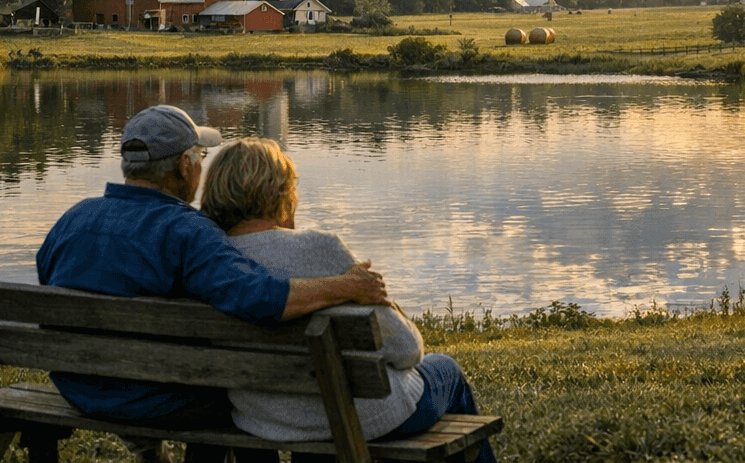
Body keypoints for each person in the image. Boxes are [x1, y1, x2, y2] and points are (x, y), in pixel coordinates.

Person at [36, 105, 387, 459]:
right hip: (160, 399)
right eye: (200, 156)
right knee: (243, 395)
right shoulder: (188, 231)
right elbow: (260, 299)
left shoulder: (72, 219)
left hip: (78, 389)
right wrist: (346, 285)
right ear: (184, 165)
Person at [199, 137, 496, 463]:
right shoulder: (318, 249)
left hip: (262, 418)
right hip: (359, 418)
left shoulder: (211, 261)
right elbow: (406, 350)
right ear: (281, 192)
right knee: (447, 370)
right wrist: (392, 308)